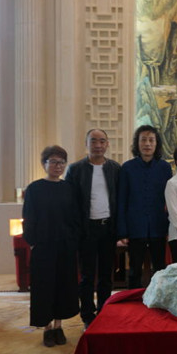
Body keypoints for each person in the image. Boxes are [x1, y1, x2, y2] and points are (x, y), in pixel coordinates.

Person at [22, 145, 80, 347]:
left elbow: (75, 218)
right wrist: (32, 242)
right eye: (53, 162)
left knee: (63, 286)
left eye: (62, 162)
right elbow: (28, 218)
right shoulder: (34, 189)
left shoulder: (69, 188)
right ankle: (47, 328)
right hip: (43, 246)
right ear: (44, 164)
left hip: (65, 245)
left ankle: (58, 326)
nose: (58, 166)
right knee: (44, 286)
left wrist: (73, 240)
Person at [65, 129, 120, 329]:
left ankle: (104, 311)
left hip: (108, 229)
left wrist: (120, 231)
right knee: (87, 276)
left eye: (102, 141)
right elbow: (69, 203)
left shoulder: (115, 168)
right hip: (86, 230)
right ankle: (87, 315)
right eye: (93, 141)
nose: (98, 145)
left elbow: (120, 200)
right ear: (86, 144)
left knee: (106, 275)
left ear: (107, 144)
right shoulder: (75, 169)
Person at [117, 125, 173, 288]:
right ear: (137, 143)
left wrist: (169, 228)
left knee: (160, 268)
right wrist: (122, 231)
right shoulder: (127, 168)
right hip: (135, 227)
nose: (147, 144)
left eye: (151, 140)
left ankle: (159, 299)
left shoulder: (164, 168)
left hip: (158, 226)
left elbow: (170, 201)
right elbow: (122, 201)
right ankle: (133, 301)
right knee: (134, 270)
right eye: (143, 140)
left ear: (156, 144)